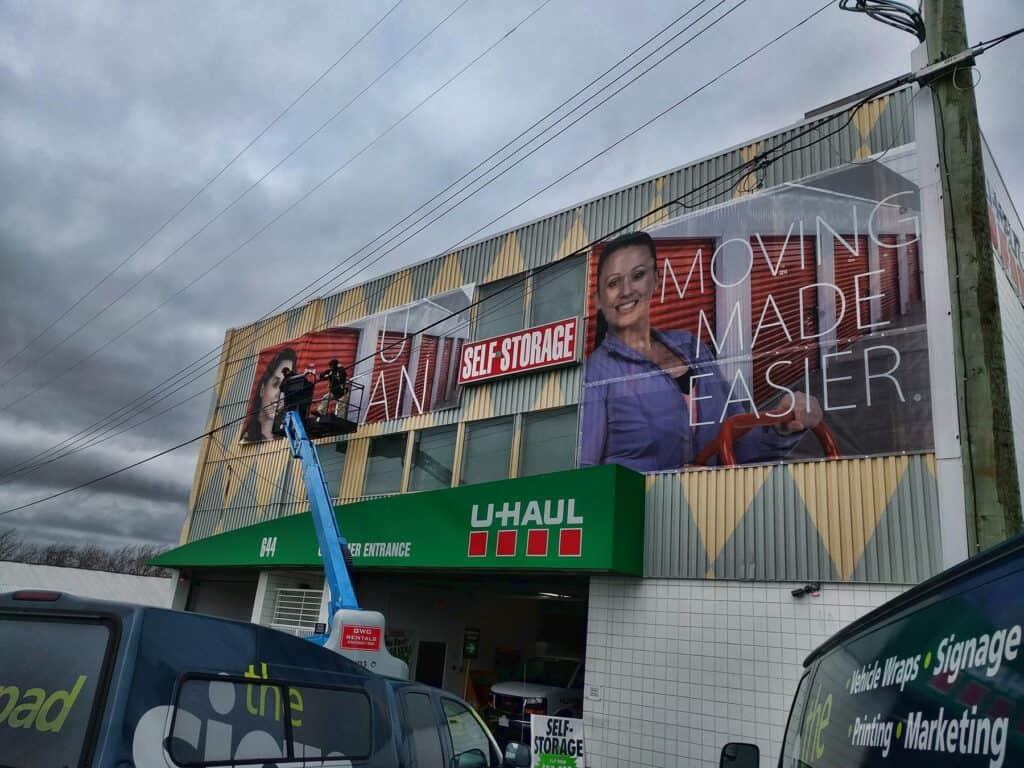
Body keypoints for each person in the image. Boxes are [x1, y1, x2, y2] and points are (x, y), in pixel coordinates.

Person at [579, 231, 823, 472]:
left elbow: (737, 444)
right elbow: (584, 475)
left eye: (638, 275)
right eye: (613, 283)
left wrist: (779, 427)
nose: (626, 290)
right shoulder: (595, 373)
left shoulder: (691, 346)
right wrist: (673, 481)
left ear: (655, 279)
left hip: (712, 497)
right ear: (598, 298)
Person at [241, 347, 297, 443]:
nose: (280, 395)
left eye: (287, 386)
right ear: (262, 389)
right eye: (275, 384)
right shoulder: (247, 436)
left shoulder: (287, 435)